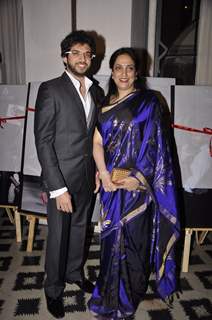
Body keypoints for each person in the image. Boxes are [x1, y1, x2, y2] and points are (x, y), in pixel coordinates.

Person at [88, 47, 180, 319]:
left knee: (133, 244)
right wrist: (103, 173)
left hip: (138, 186)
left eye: (129, 68)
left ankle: (129, 297)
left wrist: (136, 179)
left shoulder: (149, 102)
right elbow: (96, 142)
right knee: (109, 242)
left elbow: (156, 146)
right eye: (118, 67)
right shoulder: (104, 104)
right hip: (111, 185)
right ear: (112, 72)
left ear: (137, 72)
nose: (124, 73)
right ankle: (106, 294)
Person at [34, 30, 104, 319]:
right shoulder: (50, 89)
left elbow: (96, 136)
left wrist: (99, 172)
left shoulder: (97, 90)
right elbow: (43, 140)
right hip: (60, 179)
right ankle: (53, 289)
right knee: (58, 236)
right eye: (76, 52)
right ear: (65, 57)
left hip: (87, 176)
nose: (82, 58)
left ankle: (75, 273)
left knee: (79, 230)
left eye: (87, 53)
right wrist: (58, 188)